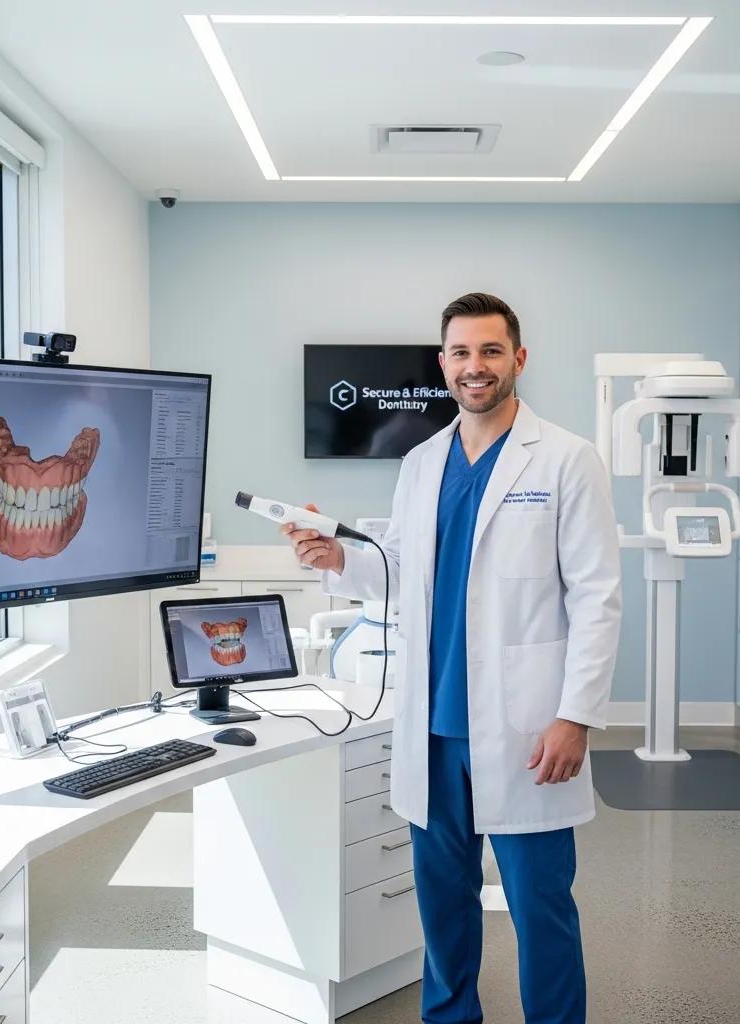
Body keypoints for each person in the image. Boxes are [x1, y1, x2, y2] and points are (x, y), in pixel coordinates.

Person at [282, 292, 622, 1024]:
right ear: (442, 364)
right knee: (442, 908)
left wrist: (575, 716)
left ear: (518, 359)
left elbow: (598, 598)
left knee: (540, 907)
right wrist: (337, 557)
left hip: (527, 726)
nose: (476, 366)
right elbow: (401, 569)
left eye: (491, 351)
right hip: (432, 725)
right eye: (462, 353)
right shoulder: (421, 462)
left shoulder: (567, 459)